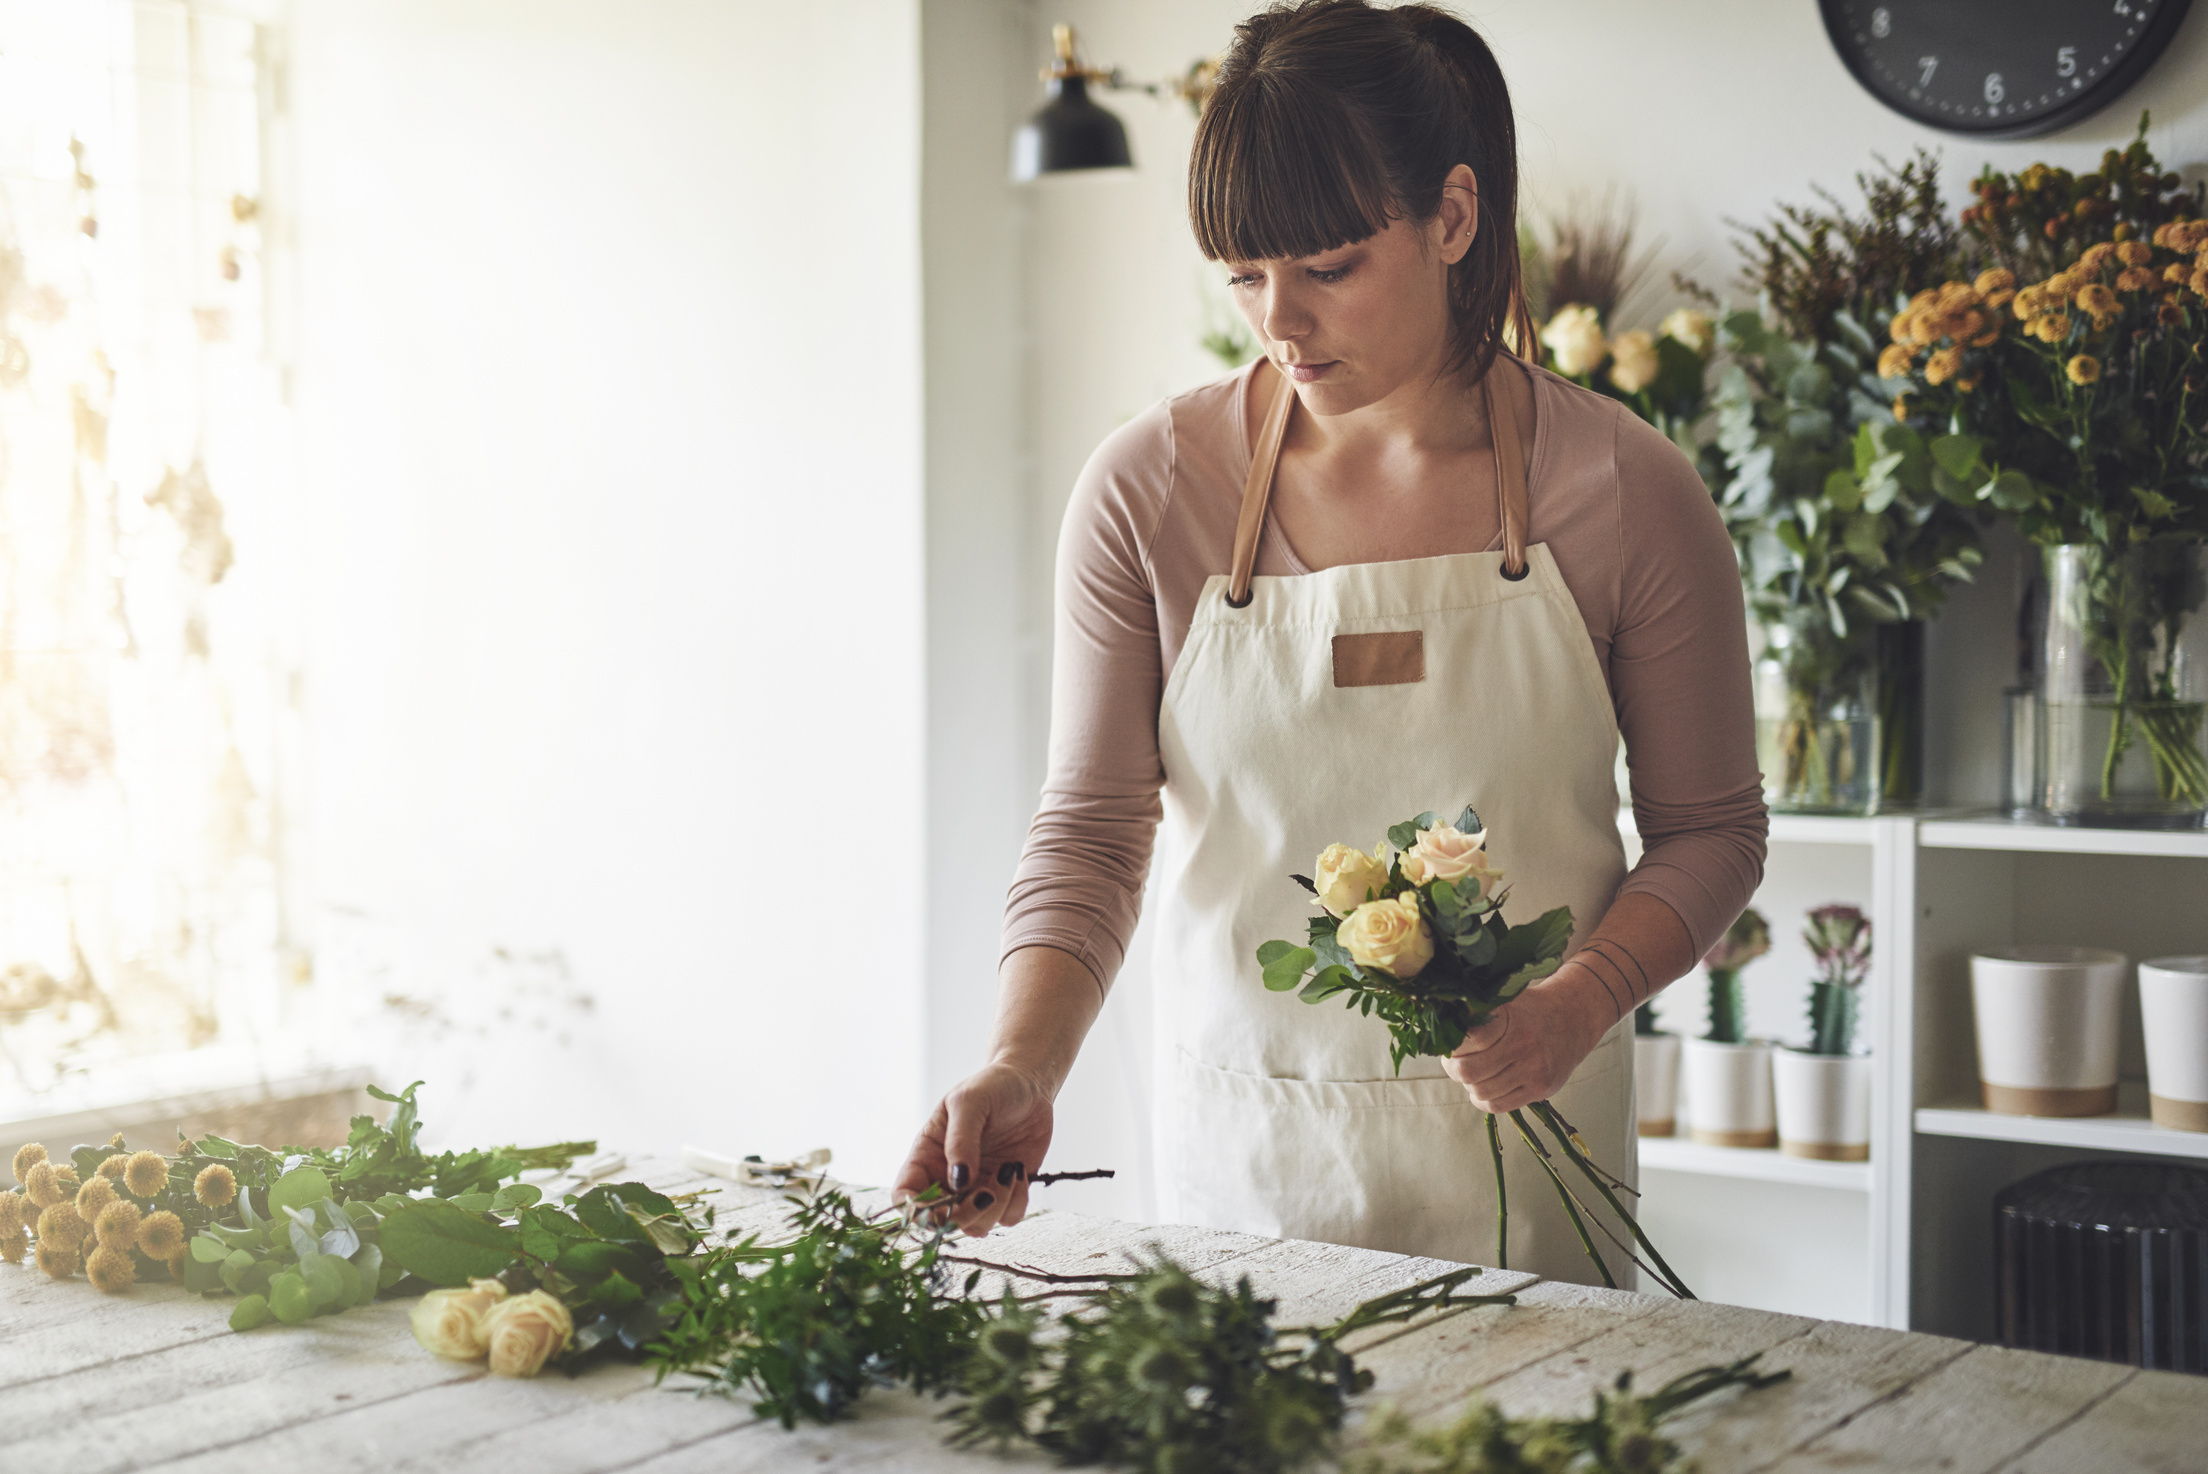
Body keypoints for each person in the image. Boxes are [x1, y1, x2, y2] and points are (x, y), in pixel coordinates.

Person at [892, 0, 1765, 1284]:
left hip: (1531, 1175)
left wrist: (1581, 1001)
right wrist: (1026, 1061)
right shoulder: (1152, 486)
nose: (1278, 323)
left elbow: (1713, 832)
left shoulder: (1625, 488)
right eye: (1244, 274)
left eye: (1329, 267)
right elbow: (1090, 826)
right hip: (1246, 1169)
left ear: (1453, 218)